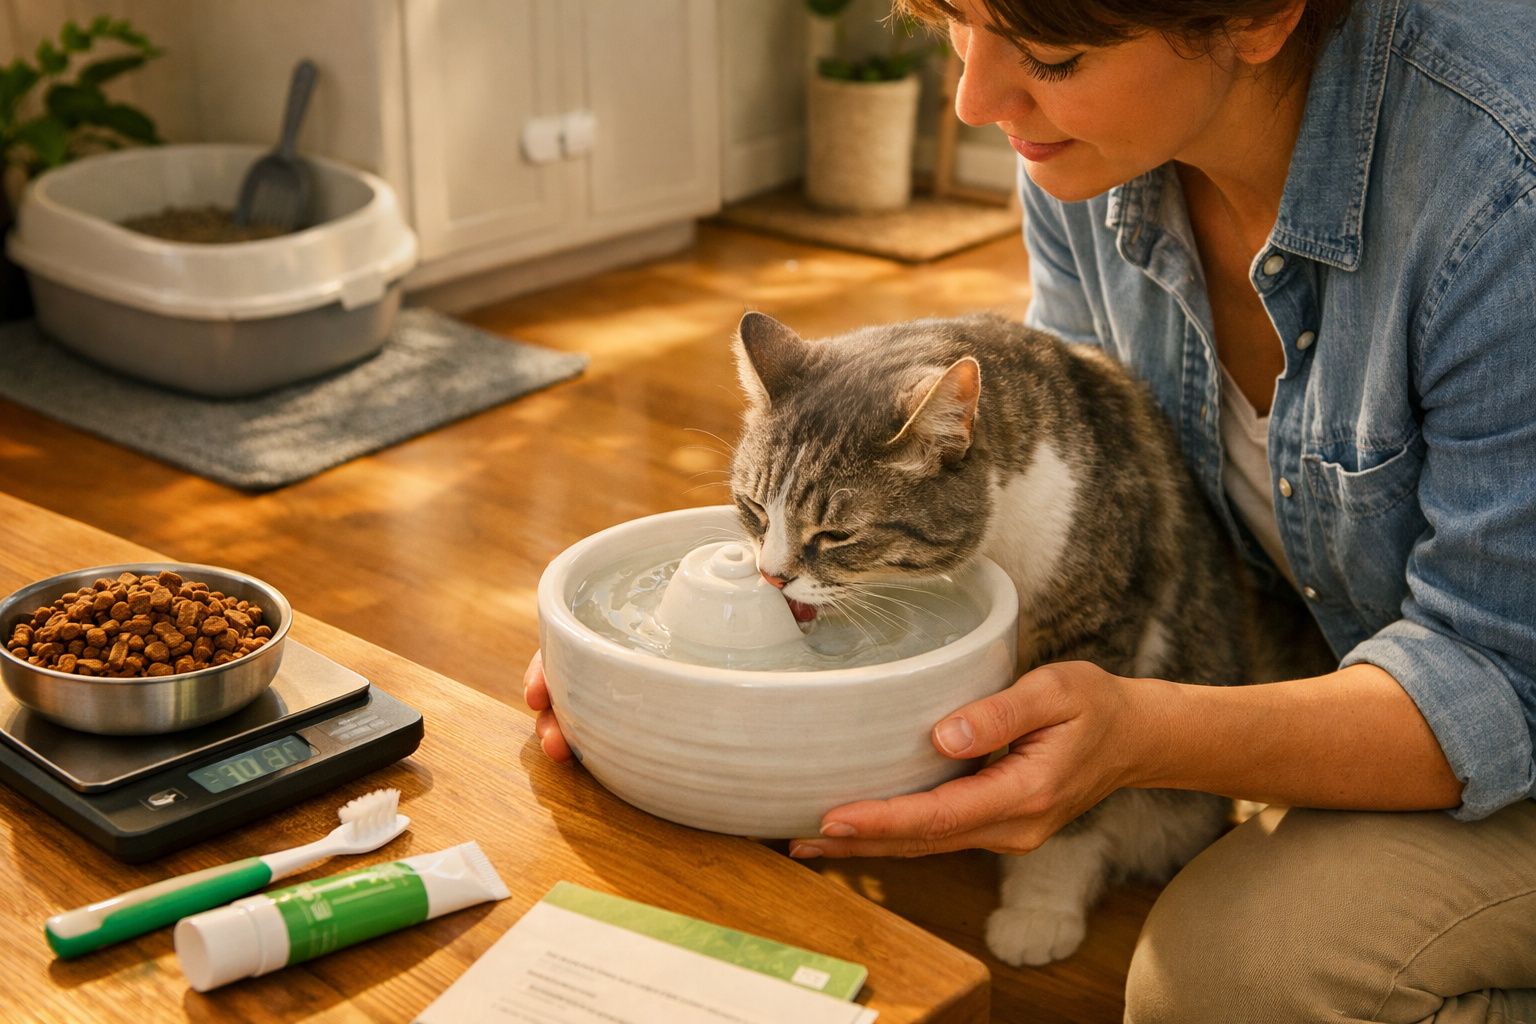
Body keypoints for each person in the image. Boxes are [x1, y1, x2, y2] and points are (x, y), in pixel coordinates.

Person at [526, 0, 1536, 1017]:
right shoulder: (1080, 146)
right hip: (1325, 663)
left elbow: (1497, 679)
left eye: (1053, 55)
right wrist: (671, 658)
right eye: (957, 23)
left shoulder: (1503, 188)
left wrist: (1146, 734)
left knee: (1227, 985)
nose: (973, 101)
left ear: (1261, 15)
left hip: (1510, 728)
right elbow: (1006, 460)